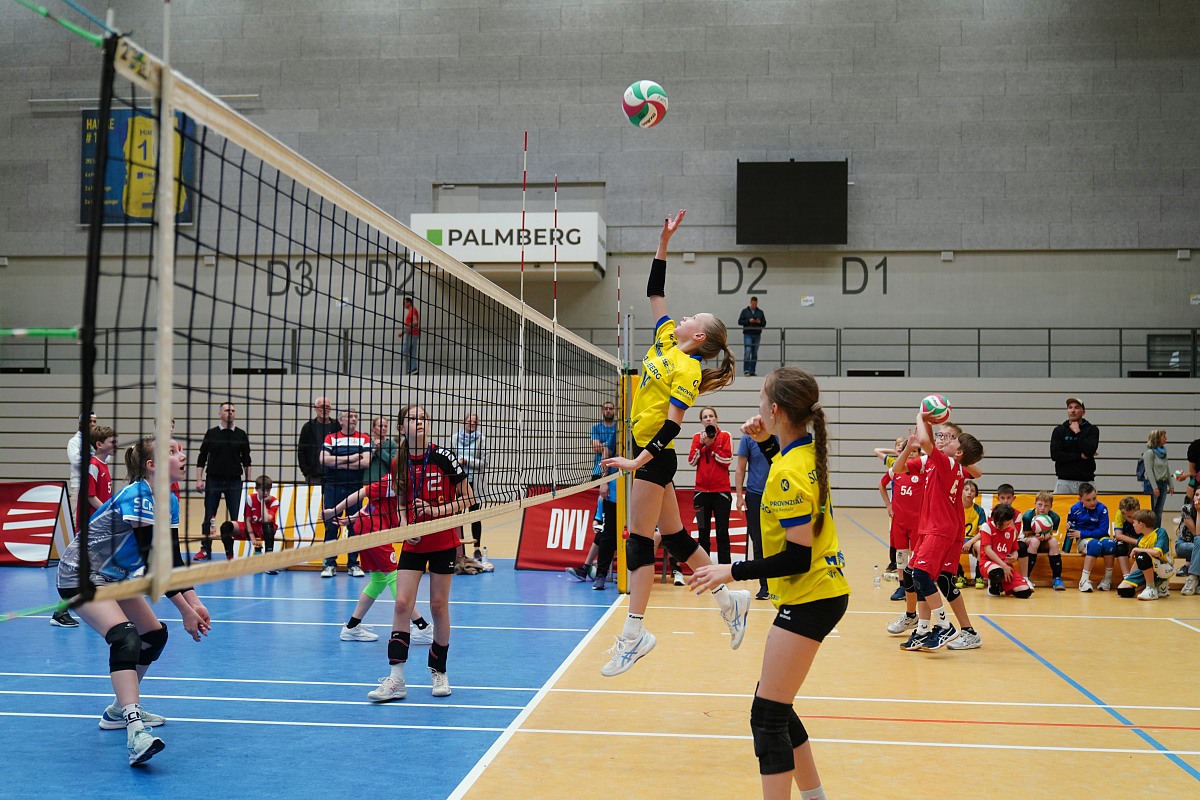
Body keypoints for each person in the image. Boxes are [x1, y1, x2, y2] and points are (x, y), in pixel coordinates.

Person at [689, 366, 848, 800]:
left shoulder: (786, 474)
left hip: (811, 595)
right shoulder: (806, 453)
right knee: (777, 708)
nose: (757, 403)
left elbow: (797, 556)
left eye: (761, 396)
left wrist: (731, 570)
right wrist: (765, 443)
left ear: (775, 409)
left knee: (766, 717)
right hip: (821, 591)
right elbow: (788, 467)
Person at [597, 208, 743, 677]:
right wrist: (663, 241)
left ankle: (634, 634)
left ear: (697, 335)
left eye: (691, 317)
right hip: (647, 452)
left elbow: (674, 424)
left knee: (639, 542)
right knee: (677, 538)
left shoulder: (689, 368)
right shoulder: (664, 340)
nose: (681, 315)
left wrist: (637, 460)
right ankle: (730, 600)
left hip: (655, 457)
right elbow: (655, 291)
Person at [56, 436, 210, 766]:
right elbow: (155, 565)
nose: (183, 455)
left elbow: (172, 561)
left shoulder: (169, 500)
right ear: (152, 466)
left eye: (180, 450)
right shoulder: (138, 496)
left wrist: (194, 602)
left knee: (153, 635)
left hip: (113, 576)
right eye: (173, 452)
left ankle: (117, 710)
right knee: (125, 636)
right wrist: (185, 611)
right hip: (80, 574)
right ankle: (135, 729)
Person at [367, 405, 474, 701]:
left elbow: (469, 498)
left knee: (438, 606)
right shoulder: (399, 462)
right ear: (403, 428)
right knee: (402, 604)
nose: (420, 422)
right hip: (414, 543)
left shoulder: (444, 457)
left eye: (424, 417)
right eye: (413, 419)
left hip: (443, 541)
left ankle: (439, 670)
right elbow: (401, 501)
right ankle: (396, 678)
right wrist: (404, 525)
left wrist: (435, 512)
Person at [895, 409, 985, 652]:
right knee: (918, 574)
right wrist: (916, 442)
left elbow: (974, 469)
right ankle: (923, 629)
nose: (942, 439)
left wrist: (921, 416)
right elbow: (899, 468)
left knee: (928, 576)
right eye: (940, 435)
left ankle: (948, 626)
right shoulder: (937, 462)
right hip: (931, 527)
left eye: (949, 437)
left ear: (958, 448)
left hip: (943, 529)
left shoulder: (948, 463)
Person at [322, 453, 435, 646]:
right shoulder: (391, 482)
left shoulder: (407, 484)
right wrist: (334, 511)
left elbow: (373, 505)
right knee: (394, 577)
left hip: (367, 527)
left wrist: (353, 518)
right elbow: (362, 493)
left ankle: (351, 627)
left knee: (378, 580)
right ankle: (422, 626)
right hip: (374, 532)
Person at [194, 402, 252, 561]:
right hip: (213, 480)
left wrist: (248, 482)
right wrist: (199, 479)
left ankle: (233, 552)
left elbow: (247, 460)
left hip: (234, 482)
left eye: (233, 410)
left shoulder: (241, 434)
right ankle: (205, 549)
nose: (230, 413)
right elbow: (202, 458)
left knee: (236, 517)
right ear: (220, 414)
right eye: (227, 410)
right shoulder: (211, 433)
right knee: (209, 515)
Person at [320, 408, 371, 578]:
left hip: (354, 487)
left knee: (354, 525)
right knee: (331, 525)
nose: (354, 419)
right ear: (340, 420)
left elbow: (365, 462)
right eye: (350, 416)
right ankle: (329, 564)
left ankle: (353, 564)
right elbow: (323, 459)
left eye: (356, 416)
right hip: (333, 487)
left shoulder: (364, 438)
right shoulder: (331, 438)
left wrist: (337, 462)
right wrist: (351, 458)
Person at [737, 429, 780, 601]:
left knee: (780, 539)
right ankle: (764, 585)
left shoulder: (781, 434)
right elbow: (740, 468)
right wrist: (739, 496)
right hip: (755, 495)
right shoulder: (748, 438)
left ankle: (780, 582)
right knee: (758, 540)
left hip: (778, 494)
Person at [689, 406, 734, 564]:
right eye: (705, 417)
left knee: (722, 533)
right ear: (701, 421)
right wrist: (701, 445)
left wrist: (712, 445)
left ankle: (725, 568)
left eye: (711, 416)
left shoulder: (725, 436)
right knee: (702, 532)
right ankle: (704, 567)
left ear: (716, 418)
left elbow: (727, 461)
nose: (708, 419)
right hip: (701, 493)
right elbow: (691, 462)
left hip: (721, 493)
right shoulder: (697, 437)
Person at [218, 475, 279, 570]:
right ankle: (230, 558)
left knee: (268, 526)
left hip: (265, 530)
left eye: (268, 490)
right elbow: (247, 520)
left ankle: (268, 561)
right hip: (251, 527)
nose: (266, 493)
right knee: (225, 527)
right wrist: (253, 538)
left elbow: (266, 520)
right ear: (257, 489)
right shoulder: (250, 499)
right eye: (263, 490)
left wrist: (262, 502)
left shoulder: (274, 501)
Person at [454, 412, 489, 565]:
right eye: (469, 421)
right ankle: (456, 548)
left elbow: (484, 462)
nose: (472, 424)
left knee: (475, 515)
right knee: (456, 516)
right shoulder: (455, 438)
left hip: (474, 482)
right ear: (464, 422)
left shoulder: (482, 439)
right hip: (458, 482)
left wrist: (467, 461)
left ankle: (477, 548)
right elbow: (450, 457)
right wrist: (456, 462)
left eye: (475, 422)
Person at [978, 503, 1033, 599]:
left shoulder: (1011, 531)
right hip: (989, 563)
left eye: (1007, 523)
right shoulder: (987, 527)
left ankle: (1003, 584)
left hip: (1006, 565)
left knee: (1025, 592)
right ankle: (994, 585)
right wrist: (1003, 566)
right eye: (1002, 524)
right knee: (997, 571)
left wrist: (1015, 556)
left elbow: (1014, 550)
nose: (1005, 526)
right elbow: (988, 550)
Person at [1115, 510, 1172, 600]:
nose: (1133, 525)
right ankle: (1157, 585)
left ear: (1141, 524)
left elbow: (1156, 553)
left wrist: (1136, 549)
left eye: (1134, 523)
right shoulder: (1141, 539)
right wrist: (1130, 578)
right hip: (1148, 568)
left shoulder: (1160, 532)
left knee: (1143, 556)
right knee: (1123, 590)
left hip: (1163, 567)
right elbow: (1137, 562)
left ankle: (1151, 588)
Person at [1068, 483, 1113, 592]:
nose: (1092, 502)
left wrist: (1082, 533)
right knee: (1095, 545)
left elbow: (1103, 530)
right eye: (1088, 500)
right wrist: (1068, 525)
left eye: (1094, 498)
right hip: (1084, 541)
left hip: (1097, 536)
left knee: (1110, 544)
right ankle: (1084, 580)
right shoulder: (1074, 509)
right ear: (1080, 499)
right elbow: (1071, 527)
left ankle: (1107, 579)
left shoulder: (1102, 508)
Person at [1050, 396, 1099, 495]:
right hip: (1064, 481)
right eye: (1070, 407)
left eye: (1076, 407)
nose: (1073, 410)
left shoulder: (1092, 430)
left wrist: (1078, 432)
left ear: (1083, 412)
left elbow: (1089, 450)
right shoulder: (1059, 430)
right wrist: (1079, 456)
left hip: (1086, 481)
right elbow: (1055, 455)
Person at [1022, 490, 1065, 590]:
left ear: (1051, 506)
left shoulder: (1055, 517)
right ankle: (1026, 577)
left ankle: (1057, 578)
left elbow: (1051, 533)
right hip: (1030, 540)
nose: (1042, 508)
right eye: (1040, 505)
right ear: (1035, 504)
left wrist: (1048, 535)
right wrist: (1036, 535)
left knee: (1053, 542)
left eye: (1046, 506)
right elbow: (1027, 535)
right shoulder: (1028, 516)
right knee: (1035, 541)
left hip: (1045, 541)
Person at [297, 396, 341, 486]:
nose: (325, 410)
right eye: (322, 406)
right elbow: (301, 451)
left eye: (327, 407)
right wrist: (306, 471)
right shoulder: (308, 427)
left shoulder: (337, 426)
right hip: (314, 476)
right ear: (315, 408)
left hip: (334, 474)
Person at [591, 400, 619, 533]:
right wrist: (609, 446)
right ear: (602, 411)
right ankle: (597, 525)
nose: (608, 411)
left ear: (614, 411)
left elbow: (600, 447)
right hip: (599, 471)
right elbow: (596, 448)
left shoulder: (618, 429)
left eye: (610, 408)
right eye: (606, 408)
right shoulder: (596, 428)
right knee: (600, 501)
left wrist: (605, 446)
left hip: (616, 473)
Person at [1141, 429, 1174, 530]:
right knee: (1151, 511)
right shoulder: (1149, 453)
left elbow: (1167, 469)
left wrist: (1171, 484)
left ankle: (1157, 531)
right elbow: (1149, 471)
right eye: (1164, 436)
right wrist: (1155, 487)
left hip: (1163, 484)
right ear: (1157, 438)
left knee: (1159, 511)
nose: (1166, 439)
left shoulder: (1164, 453)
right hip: (1152, 485)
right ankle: (1149, 531)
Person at [66, 412, 98, 504]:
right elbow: (75, 461)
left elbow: (106, 459)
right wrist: (94, 456)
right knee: (77, 512)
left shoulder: (96, 441)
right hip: (78, 485)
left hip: (95, 485)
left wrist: (88, 456)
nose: (92, 424)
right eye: (89, 421)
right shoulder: (74, 441)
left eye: (94, 421)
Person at [737, 296, 766, 377]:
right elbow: (740, 321)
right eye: (753, 304)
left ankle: (752, 371)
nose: (754, 305)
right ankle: (746, 370)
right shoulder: (745, 311)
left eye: (755, 304)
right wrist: (748, 321)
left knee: (754, 353)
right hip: (748, 333)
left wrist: (759, 322)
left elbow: (764, 323)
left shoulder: (760, 312)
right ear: (750, 303)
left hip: (757, 334)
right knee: (748, 351)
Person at [364, 416, 397, 484]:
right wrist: (373, 450)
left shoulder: (392, 444)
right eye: (380, 426)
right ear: (373, 428)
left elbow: (394, 463)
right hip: (368, 481)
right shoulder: (367, 443)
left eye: (385, 426)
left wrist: (380, 450)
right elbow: (363, 461)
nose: (383, 428)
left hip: (385, 482)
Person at [398, 296, 420, 375]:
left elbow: (415, 322)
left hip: (411, 334)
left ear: (409, 302)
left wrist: (403, 331)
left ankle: (411, 368)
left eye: (404, 302)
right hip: (413, 333)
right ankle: (413, 369)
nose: (403, 304)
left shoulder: (412, 310)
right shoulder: (412, 310)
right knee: (412, 352)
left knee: (405, 350)